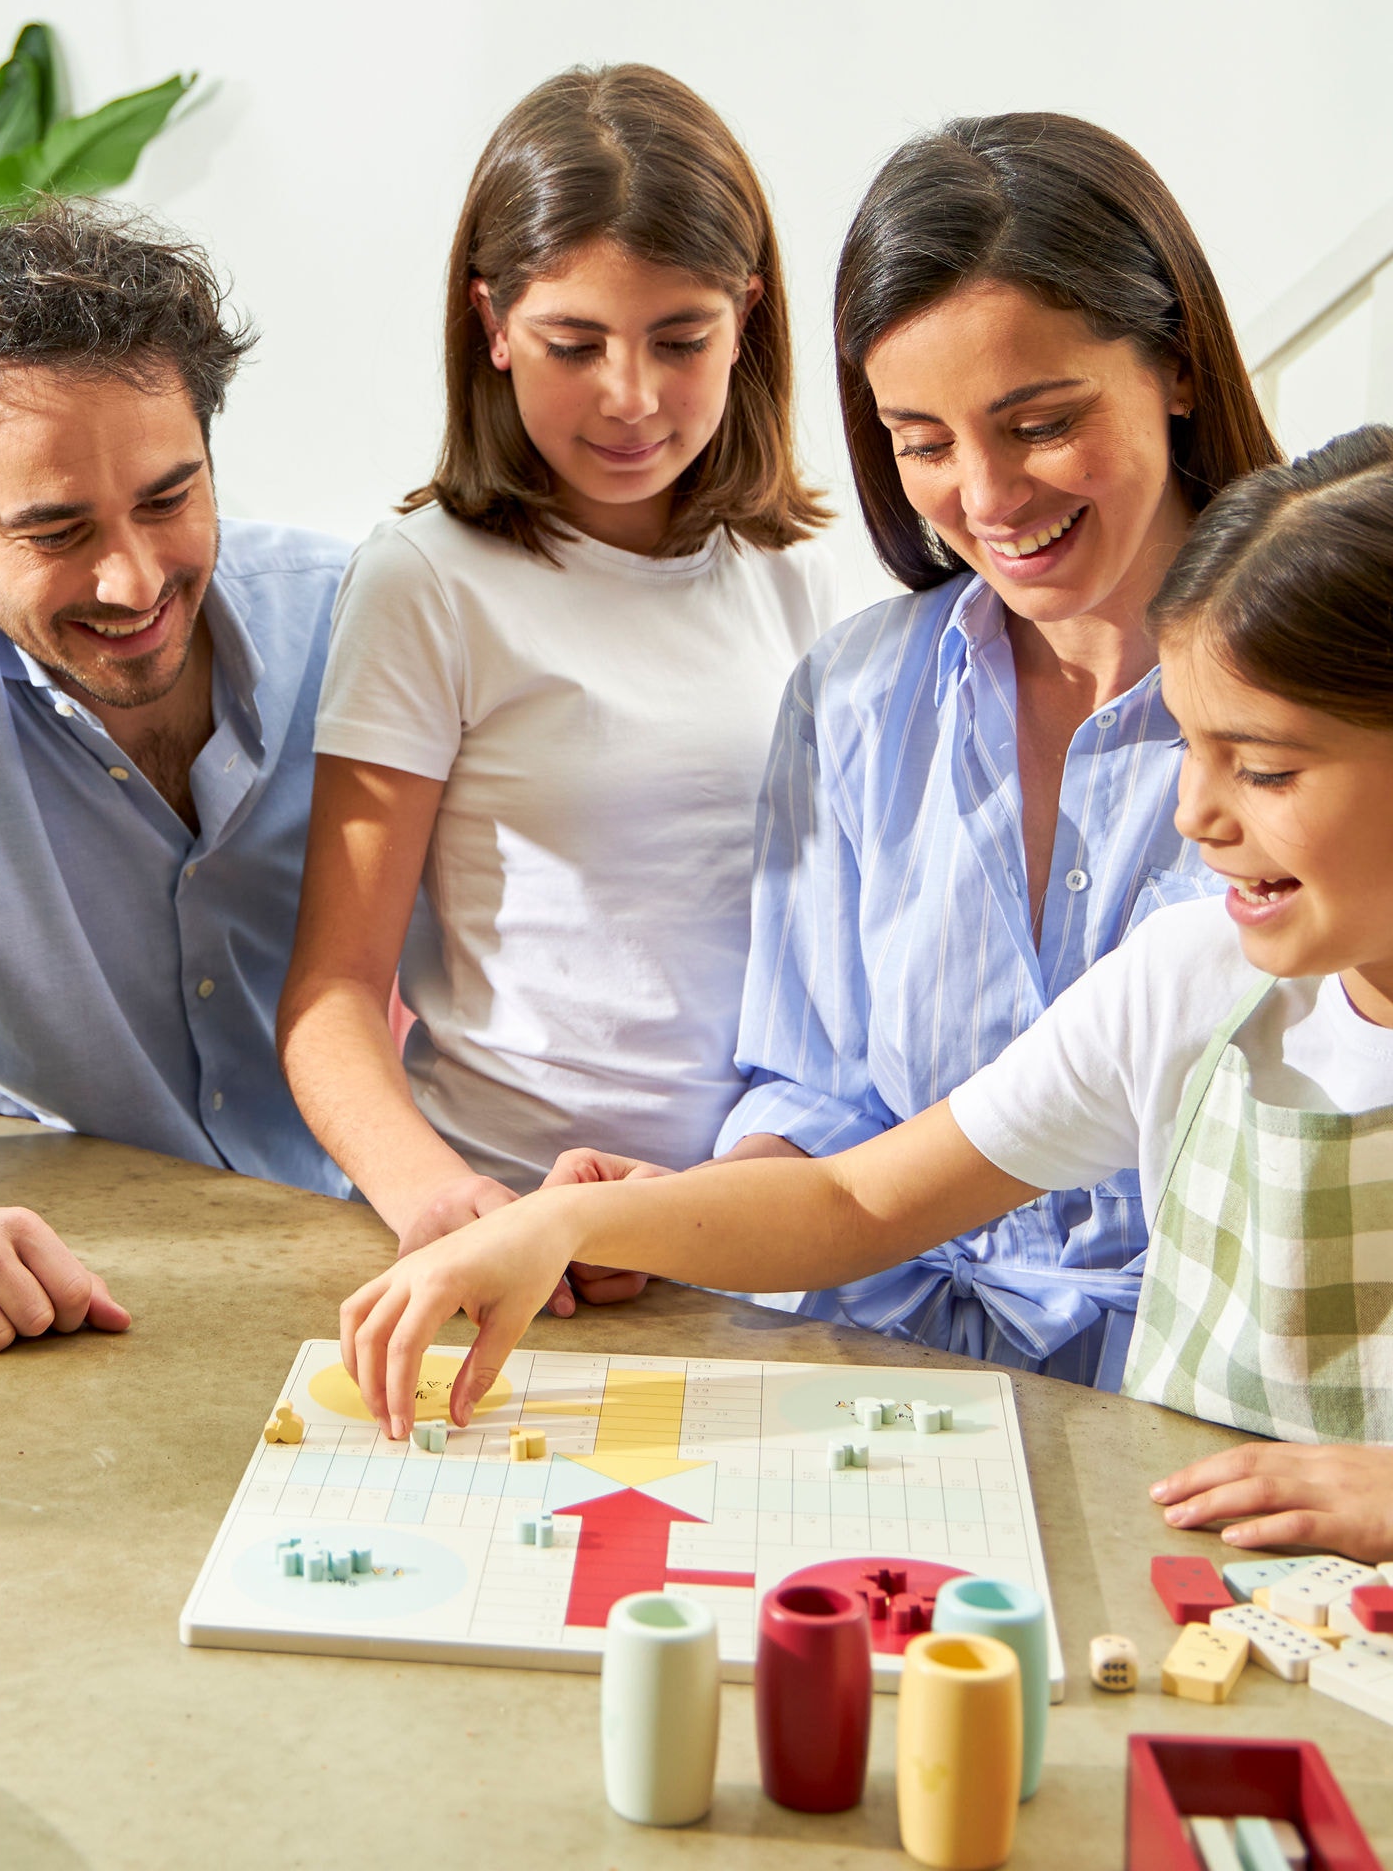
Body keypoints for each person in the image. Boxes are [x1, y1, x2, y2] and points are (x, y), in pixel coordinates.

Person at [342, 427, 1393, 1561]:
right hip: (1206, 1597)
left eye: (1268, 769)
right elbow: (859, 1205)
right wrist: (566, 1220)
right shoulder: (1189, 980)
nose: (1197, 814)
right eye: (1188, 746)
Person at [548, 112, 1277, 1383]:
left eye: (1041, 422)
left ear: (1177, 363)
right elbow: (824, 1108)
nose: (986, 499)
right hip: (894, 1373)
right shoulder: (856, 693)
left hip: (1213, 1392)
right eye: (923, 442)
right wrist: (678, 1217)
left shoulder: (1329, 695)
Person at [278, 64, 839, 1307]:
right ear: (490, 324)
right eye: (572, 344)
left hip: (744, 1235)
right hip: (502, 1242)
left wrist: (731, 1196)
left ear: (748, 316)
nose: (630, 396)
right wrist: (449, 1208)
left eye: (681, 339)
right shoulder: (426, 579)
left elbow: (825, 979)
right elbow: (330, 994)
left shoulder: (793, 578)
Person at [0, 205, 350, 1353]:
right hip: (33, 1299)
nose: (132, 580)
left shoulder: (353, 618)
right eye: (57, 530)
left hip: (346, 1255)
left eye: (170, 499)